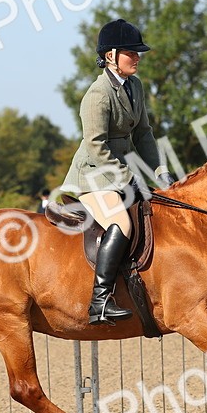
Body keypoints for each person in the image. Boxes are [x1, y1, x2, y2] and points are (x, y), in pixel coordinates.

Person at [61, 18, 174, 325]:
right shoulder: (98, 95)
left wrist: (161, 171)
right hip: (93, 176)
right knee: (121, 222)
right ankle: (99, 302)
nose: (137, 57)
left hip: (118, 173)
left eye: (138, 52)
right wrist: (129, 178)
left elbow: (145, 135)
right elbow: (96, 146)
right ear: (110, 55)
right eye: (130, 52)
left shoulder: (135, 87)